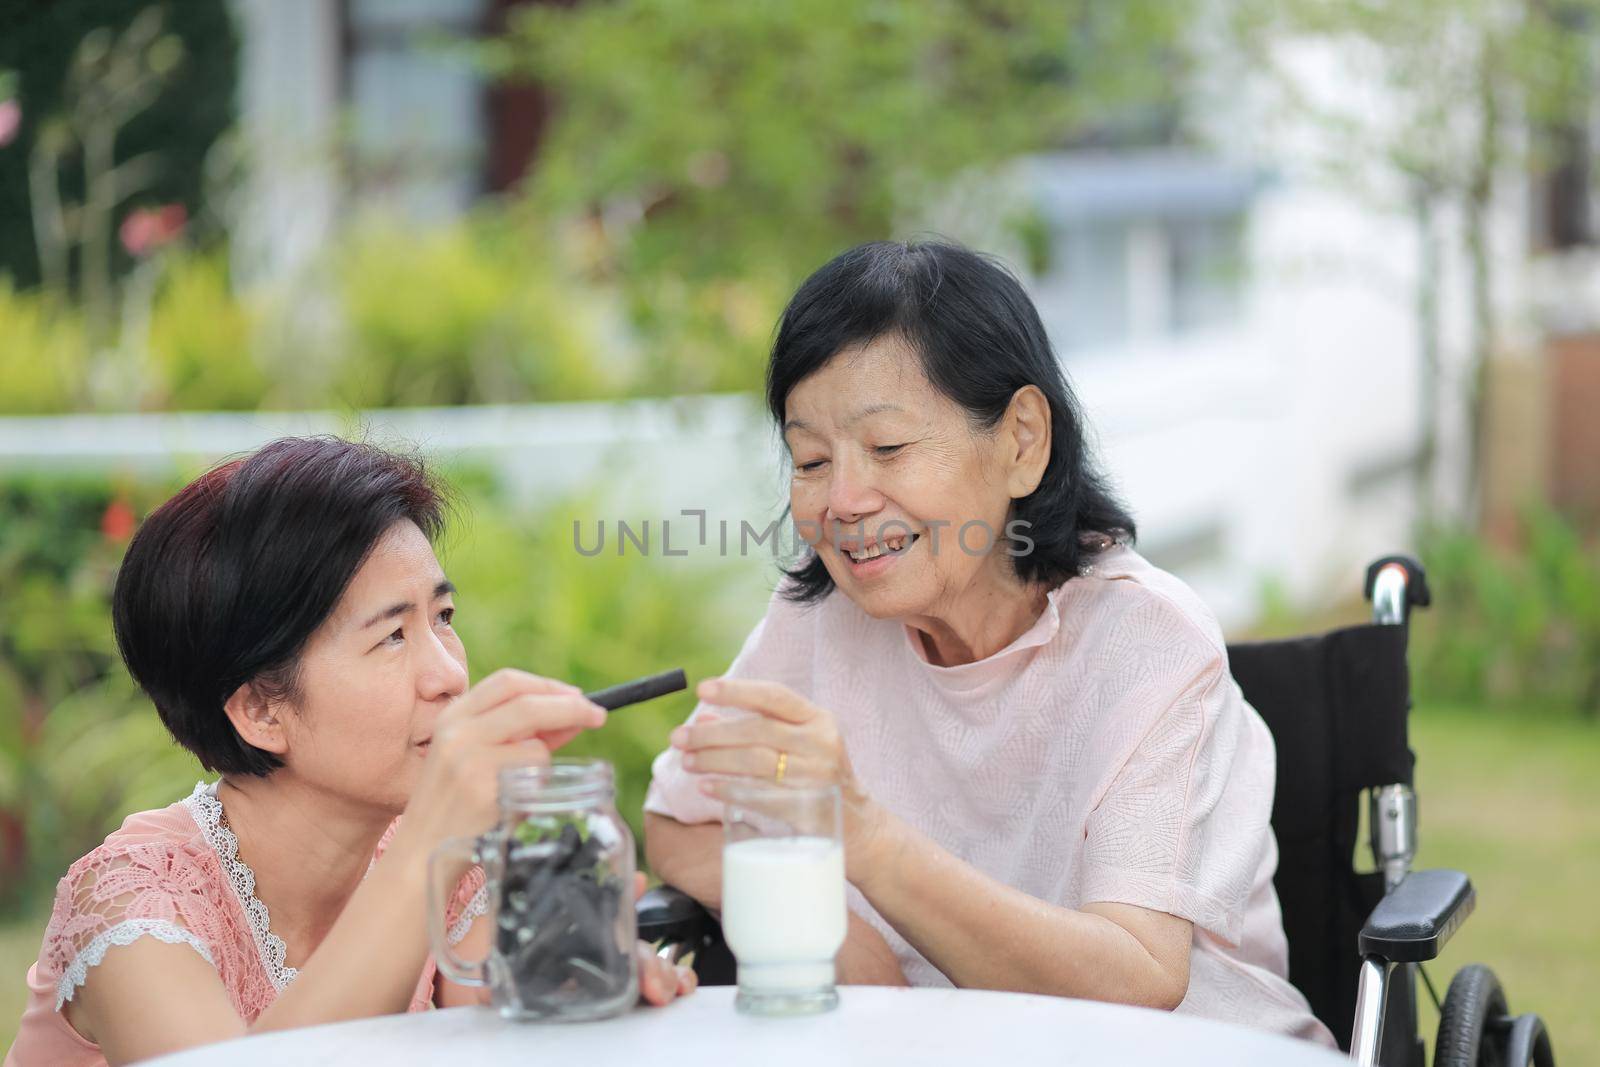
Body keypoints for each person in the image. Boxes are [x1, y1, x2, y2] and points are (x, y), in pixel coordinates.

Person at [643, 239, 1334, 1045]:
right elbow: (679, 821)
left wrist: (862, 840)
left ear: (1021, 441)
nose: (845, 500)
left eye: (889, 448)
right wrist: (844, 934)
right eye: (811, 459)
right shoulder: (822, 619)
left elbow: (1139, 975)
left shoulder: (1149, 643)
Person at [7, 437, 695, 1067]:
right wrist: (432, 836)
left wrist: (589, 983)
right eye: (392, 635)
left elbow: (511, 1025)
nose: (451, 674)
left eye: (442, 618)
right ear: (260, 709)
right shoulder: (132, 904)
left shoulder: (451, 869)